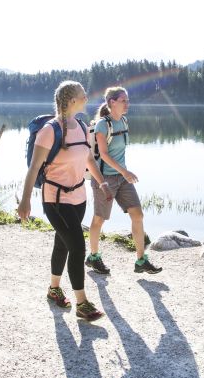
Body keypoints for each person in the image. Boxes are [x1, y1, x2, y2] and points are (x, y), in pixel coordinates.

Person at [17, 80, 111, 321]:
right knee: (78, 247)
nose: (87, 98)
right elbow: (33, 168)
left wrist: (101, 182)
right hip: (55, 198)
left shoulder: (81, 126)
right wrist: (25, 200)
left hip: (79, 197)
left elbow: (88, 158)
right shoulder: (49, 130)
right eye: (83, 95)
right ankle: (82, 302)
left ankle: (54, 288)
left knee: (62, 242)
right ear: (71, 101)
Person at [85, 87, 162, 275]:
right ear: (112, 102)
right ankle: (93, 257)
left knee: (138, 215)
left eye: (128, 100)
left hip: (122, 177)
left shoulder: (124, 121)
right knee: (99, 219)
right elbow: (103, 155)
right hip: (104, 179)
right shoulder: (103, 124)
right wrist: (125, 172)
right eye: (123, 100)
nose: (127, 104)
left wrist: (124, 173)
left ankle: (141, 260)